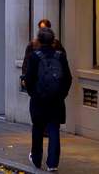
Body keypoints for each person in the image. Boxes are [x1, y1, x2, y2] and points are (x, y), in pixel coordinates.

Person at [23, 27, 72, 172]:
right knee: (54, 129)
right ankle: (52, 163)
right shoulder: (60, 56)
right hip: (56, 100)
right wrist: (62, 94)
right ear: (53, 40)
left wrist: (33, 93)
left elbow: (29, 79)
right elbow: (68, 78)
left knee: (37, 128)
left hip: (39, 100)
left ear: (39, 40)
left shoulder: (34, 56)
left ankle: (37, 159)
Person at [21, 19, 63, 88]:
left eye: (45, 29)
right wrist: (24, 78)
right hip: (38, 84)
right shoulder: (33, 44)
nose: (44, 32)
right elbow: (26, 63)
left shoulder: (57, 45)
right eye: (42, 29)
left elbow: (64, 69)